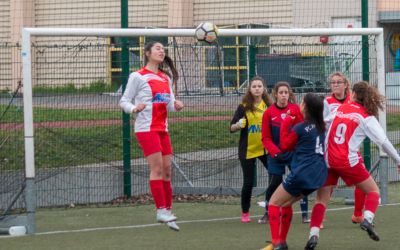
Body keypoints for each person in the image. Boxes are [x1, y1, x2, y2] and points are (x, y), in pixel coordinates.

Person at [305, 81, 400, 249]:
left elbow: (324, 122)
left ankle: (313, 235)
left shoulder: (339, 109)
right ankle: (367, 219)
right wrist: (398, 160)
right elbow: (384, 142)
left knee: (321, 199)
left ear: (354, 94)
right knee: (373, 191)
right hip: (347, 161)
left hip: (328, 160)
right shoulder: (366, 117)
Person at [119, 41, 184, 231]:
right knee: (156, 168)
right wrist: (133, 108)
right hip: (146, 129)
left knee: (167, 171)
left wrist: (177, 105)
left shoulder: (165, 77)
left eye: (163, 49)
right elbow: (123, 101)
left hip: (163, 129)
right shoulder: (137, 76)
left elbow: (169, 104)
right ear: (147, 53)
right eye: (158, 48)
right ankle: (160, 210)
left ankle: (168, 213)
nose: (162, 51)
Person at [261, 93, 328, 250]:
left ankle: (276, 243)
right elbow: (306, 133)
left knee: (273, 203)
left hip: (303, 173)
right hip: (318, 175)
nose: (300, 104)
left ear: (306, 107)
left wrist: (285, 123)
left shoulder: (300, 128)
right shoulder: (322, 126)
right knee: (285, 204)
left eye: (302, 102)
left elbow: (285, 145)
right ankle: (282, 242)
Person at [260, 81, 310, 225]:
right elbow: (266, 138)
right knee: (275, 182)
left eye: (286, 93)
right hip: (276, 155)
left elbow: (301, 130)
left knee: (300, 180)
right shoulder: (268, 113)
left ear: (289, 94)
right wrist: (275, 153)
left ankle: (305, 214)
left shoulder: (295, 110)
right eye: (281, 93)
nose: (284, 95)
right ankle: (268, 212)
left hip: (292, 153)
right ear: (275, 94)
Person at [324, 72, 365, 225]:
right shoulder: (327, 102)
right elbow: (322, 123)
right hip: (332, 150)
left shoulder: (353, 101)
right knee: (328, 185)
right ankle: (319, 217)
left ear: (346, 84)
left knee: (363, 182)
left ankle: (357, 214)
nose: (335, 85)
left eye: (338, 82)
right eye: (333, 82)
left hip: (350, 150)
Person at [230, 76, 272, 223]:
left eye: (259, 86)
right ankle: (245, 212)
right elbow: (231, 127)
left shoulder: (268, 104)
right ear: (250, 89)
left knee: (274, 177)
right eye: (254, 86)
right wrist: (238, 125)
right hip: (247, 149)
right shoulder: (243, 106)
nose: (257, 89)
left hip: (266, 148)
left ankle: (270, 208)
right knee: (248, 182)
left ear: (264, 88)